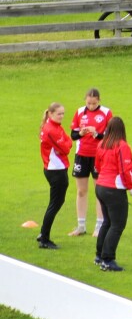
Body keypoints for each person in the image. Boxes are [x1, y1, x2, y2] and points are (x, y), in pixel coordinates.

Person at [94, 117, 132, 272]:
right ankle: (108, 259)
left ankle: (99, 256)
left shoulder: (101, 144)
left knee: (107, 222)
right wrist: (131, 187)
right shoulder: (122, 146)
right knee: (117, 224)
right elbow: (124, 170)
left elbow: (97, 166)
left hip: (100, 186)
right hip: (114, 189)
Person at [69, 88, 112, 237]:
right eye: (88, 103)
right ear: (85, 100)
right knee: (81, 191)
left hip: (98, 156)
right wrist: (80, 133)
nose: (91, 106)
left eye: (94, 103)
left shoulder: (106, 113)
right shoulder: (80, 112)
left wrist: (97, 134)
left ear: (99, 101)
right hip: (81, 155)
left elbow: (109, 136)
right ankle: (81, 225)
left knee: (99, 191)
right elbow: (73, 135)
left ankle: (99, 226)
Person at [38, 102, 72, 250]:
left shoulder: (53, 126)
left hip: (54, 168)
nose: (62, 116)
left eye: (63, 113)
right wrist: (66, 143)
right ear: (51, 114)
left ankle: (43, 234)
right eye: (59, 114)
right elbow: (66, 148)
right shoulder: (52, 129)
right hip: (56, 170)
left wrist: (66, 143)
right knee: (55, 203)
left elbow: (68, 141)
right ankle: (44, 238)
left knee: (55, 202)